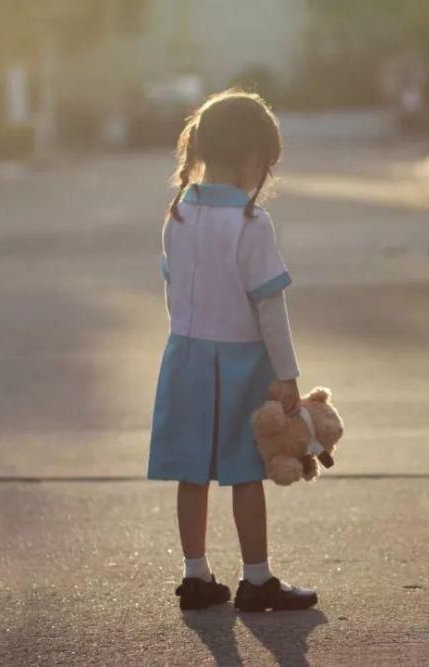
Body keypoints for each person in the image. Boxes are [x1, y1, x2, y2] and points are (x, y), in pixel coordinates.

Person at [147, 89, 316, 612]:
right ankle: (257, 579)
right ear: (252, 158)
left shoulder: (177, 214)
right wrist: (286, 374)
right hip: (241, 360)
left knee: (191, 472)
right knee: (246, 472)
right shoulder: (250, 223)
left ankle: (196, 576)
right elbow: (269, 306)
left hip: (185, 357)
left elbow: (173, 289)